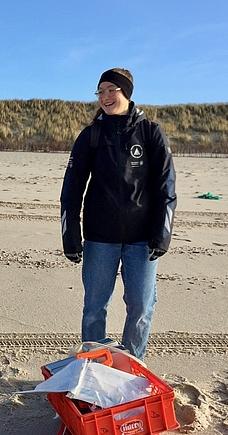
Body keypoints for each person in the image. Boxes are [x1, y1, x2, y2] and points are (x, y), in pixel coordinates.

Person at [60, 68, 177, 360]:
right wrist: (71, 234)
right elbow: (72, 189)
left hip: (143, 240)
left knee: (140, 306)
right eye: (100, 91)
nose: (105, 97)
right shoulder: (91, 135)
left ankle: (132, 366)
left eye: (111, 89)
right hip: (100, 238)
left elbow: (167, 188)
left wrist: (161, 235)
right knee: (94, 308)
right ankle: (94, 368)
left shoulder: (150, 133)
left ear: (126, 92)